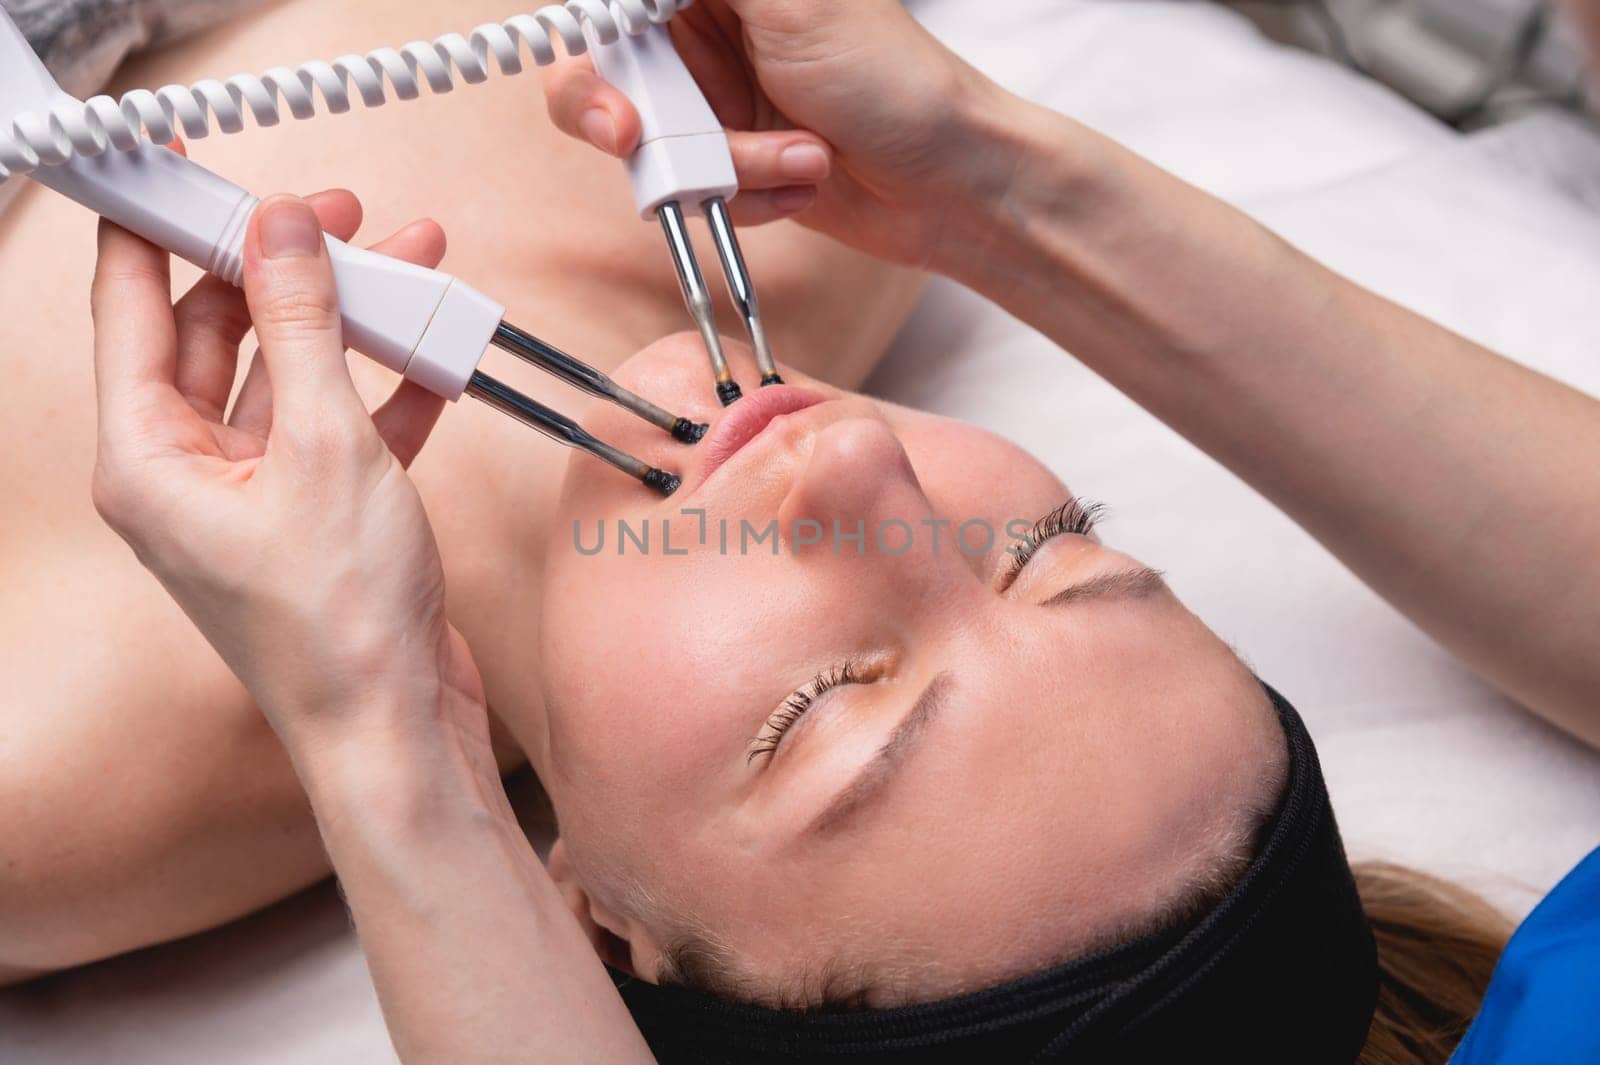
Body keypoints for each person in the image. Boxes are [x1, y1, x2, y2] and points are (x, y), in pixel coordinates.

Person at [9, 0, 1600, 1060]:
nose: (861, 476)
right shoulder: (803, 200)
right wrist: (996, 181)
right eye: (1052, 546)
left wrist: (383, 741)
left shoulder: (42, 776)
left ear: (594, 928)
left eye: (819, 708)